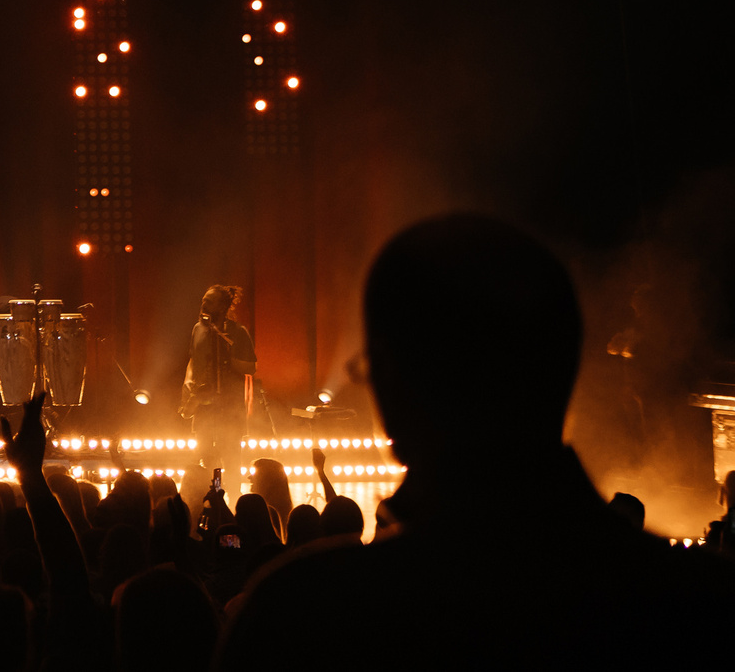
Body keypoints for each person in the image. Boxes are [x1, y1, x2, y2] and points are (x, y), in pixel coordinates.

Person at [220, 214, 735, 668]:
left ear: (396, 380)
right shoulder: (701, 606)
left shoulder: (305, 618)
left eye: (368, 369)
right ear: (563, 370)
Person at [181, 283, 255, 496]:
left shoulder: (237, 332)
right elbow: (193, 360)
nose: (203, 303)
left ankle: (231, 502)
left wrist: (228, 359)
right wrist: (188, 382)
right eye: (203, 299)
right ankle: (213, 495)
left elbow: (251, 366)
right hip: (203, 404)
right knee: (204, 454)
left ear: (222, 307)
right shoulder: (198, 329)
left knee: (231, 456)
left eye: (209, 301)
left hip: (229, 404)